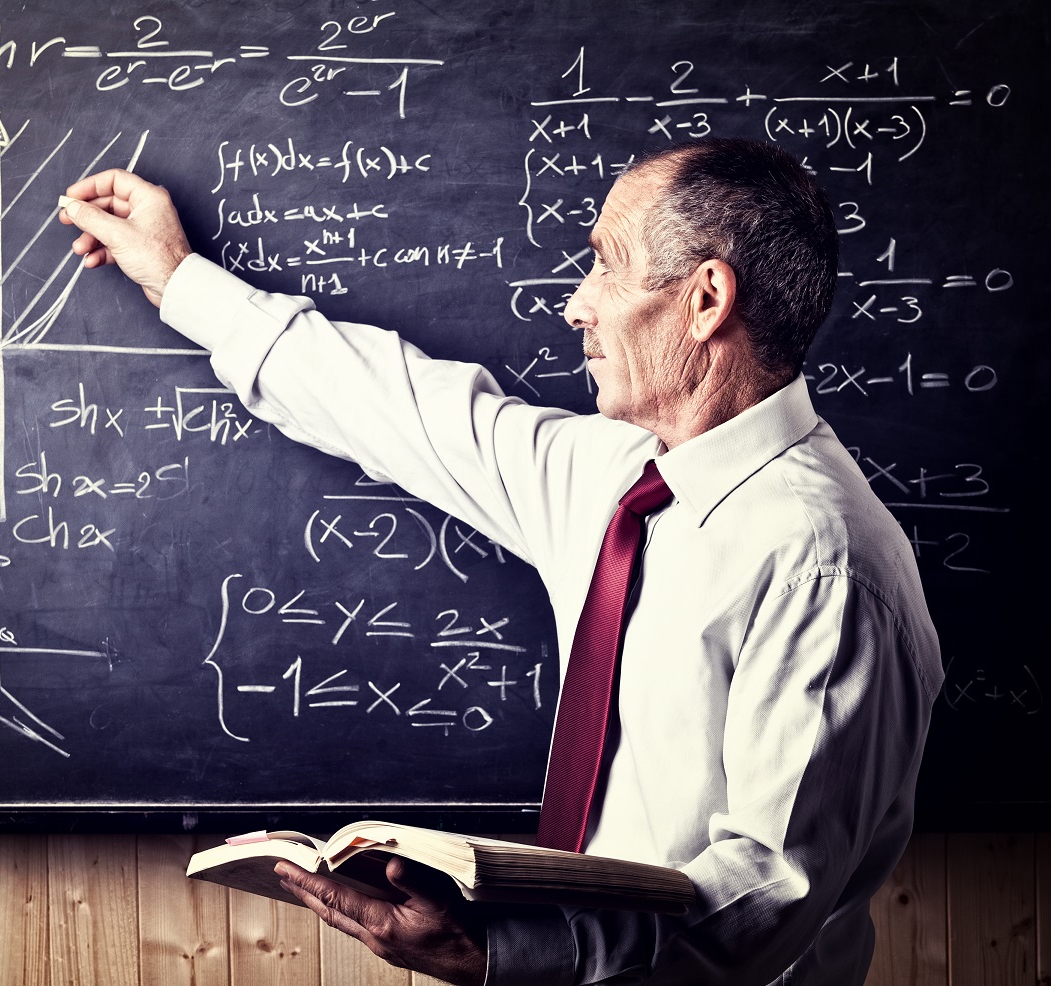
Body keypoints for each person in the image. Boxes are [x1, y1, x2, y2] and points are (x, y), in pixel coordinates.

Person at [59, 137, 942, 986]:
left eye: (606, 266)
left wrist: (506, 956)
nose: (577, 305)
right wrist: (177, 276)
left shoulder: (821, 562)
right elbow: (401, 410)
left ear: (705, 299)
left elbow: (767, 889)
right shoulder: (621, 477)